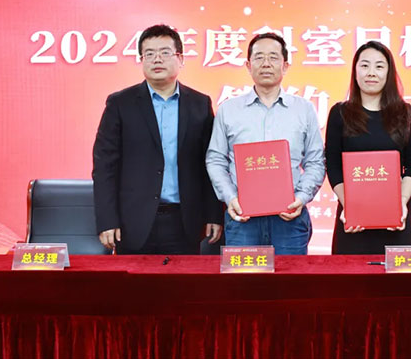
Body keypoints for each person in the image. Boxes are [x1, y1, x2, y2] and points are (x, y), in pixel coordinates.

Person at [93, 24, 222, 254]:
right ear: (141, 60)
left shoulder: (199, 104)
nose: (157, 59)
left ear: (180, 59)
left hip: (184, 221)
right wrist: (107, 220)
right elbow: (105, 166)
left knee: (185, 279)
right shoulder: (120, 104)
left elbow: (210, 163)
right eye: (149, 54)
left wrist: (214, 214)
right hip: (132, 222)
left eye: (165, 52)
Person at [205, 33, 325, 255]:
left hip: (289, 219)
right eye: (259, 57)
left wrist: (300, 198)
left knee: (290, 278)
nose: (266, 64)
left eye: (273, 57)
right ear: (248, 65)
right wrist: (230, 198)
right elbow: (216, 159)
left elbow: (316, 161)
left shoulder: (304, 109)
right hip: (242, 218)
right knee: (244, 278)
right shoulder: (229, 110)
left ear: (285, 65)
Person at [325, 41, 411, 254]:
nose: (371, 73)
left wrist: (401, 203)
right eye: (364, 65)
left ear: (389, 72)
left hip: (395, 220)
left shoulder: (405, 113)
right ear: (355, 71)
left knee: (395, 276)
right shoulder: (340, 113)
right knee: (349, 274)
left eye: (379, 66)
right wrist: (349, 205)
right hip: (351, 220)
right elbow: (333, 166)